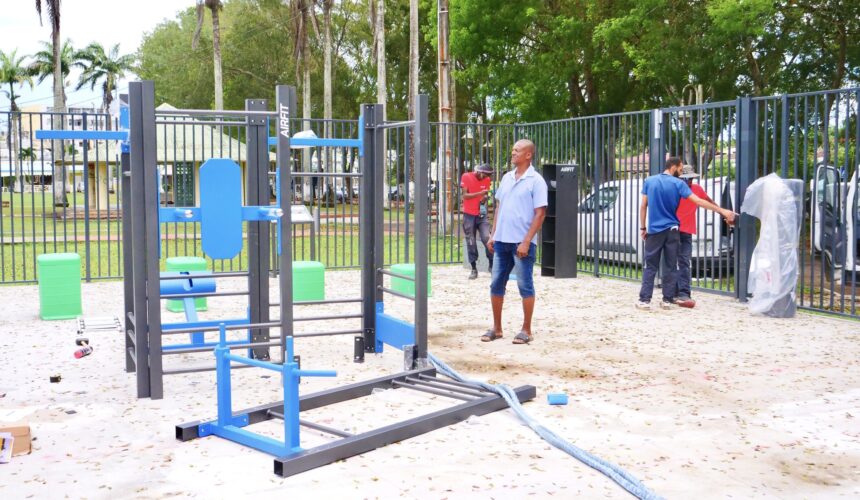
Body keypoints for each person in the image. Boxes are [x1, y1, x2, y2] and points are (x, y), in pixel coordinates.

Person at [637, 157, 735, 310]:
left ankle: (644, 300)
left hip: (655, 230)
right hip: (673, 230)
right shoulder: (678, 184)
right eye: (680, 169)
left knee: (651, 265)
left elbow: (643, 205)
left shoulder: (650, 181)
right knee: (671, 266)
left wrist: (643, 228)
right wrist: (723, 211)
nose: (681, 172)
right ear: (673, 167)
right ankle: (667, 300)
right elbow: (700, 201)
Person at [482, 139, 547, 344]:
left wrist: (527, 241)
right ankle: (497, 328)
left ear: (528, 155)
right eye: (512, 150)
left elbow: (540, 214)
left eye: (517, 150)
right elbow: (500, 207)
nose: (513, 153)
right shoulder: (506, 178)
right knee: (496, 283)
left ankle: (526, 329)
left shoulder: (536, 181)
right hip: (502, 240)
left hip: (522, 243)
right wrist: (493, 234)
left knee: (524, 285)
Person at [672, 165, 717, 307]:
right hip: (672, 229)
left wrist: (722, 212)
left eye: (691, 178)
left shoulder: (697, 189)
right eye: (686, 178)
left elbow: (709, 201)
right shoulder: (674, 189)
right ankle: (673, 292)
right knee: (672, 262)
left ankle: (684, 293)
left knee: (684, 262)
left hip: (686, 231)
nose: (689, 181)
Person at [460, 163, 494, 279]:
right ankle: (474, 268)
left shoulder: (487, 179)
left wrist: (484, 199)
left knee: (487, 238)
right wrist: (479, 194)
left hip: (481, 215)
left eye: (488, 176)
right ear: (479, 171)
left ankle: (492, 265)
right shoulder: (466, 176)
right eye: (485, 175)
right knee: (471, 241)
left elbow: (484, 196)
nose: (486, 177)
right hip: (469, 215)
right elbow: (465, 196)